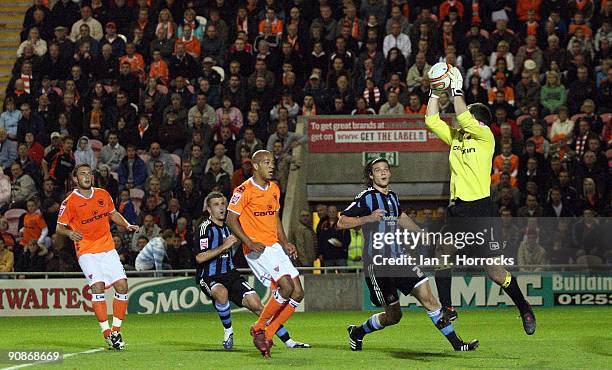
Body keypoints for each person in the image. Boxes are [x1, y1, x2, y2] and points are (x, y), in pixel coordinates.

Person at [424, 66, 536, 335]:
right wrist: (434, 91)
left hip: (480, 209)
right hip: (457, 207)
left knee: (495, 273)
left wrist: (458, 89)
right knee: (443, 252)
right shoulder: (455, 139)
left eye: (469, 118)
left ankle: (524, 309)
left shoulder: (486, 138)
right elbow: (430, 120)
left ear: (479, 121)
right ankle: (448, 308)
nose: (462, 122)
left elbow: (463, 117)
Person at [338, 158, 479, 352]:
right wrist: (369, 218)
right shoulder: (366, 198)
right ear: (371, 176)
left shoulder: (393, 197)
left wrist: (421, 234)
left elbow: (400, 216)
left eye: (385, 169)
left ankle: (457, 344)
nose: (383, 173)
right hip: (378, 263)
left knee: (428, 297)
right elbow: (342, 221)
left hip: (400, 259)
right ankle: (358, 332)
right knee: (394, 316)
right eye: (378, 170)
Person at [195, 192, 309, 350]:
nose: (221, 207)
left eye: (223, 203)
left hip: (231, 274)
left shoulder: (232, 226)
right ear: (208, 209)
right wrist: (224, 246)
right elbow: (200, 258)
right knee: (221, 294)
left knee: (257, 305)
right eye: (216, 204)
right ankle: (228, 333)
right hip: (208, 276)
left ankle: (288, 341)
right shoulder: (205, 228)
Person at [226, 150, 303, 358]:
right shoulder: (243, 190)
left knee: (298, 293)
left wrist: (285, 242)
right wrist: (249, 242)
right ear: (256, 166)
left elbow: (275, 218)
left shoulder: (275, 189)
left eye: (273, 163)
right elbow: (230, 219)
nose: (272, 166)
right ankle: (260, 328)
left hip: (274, 246)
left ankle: (266, 333)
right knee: (286, 286)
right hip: (257, 248)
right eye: (267, 162)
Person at [56, 163, 140, 350]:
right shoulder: (69, 201)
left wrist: (127, 225)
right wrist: (69, 234)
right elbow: (59, 227)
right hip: (86, 250)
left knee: (123, 285)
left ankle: (116, 331)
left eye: (89, 173)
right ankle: (106, 333)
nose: (87, 176)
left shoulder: (103, 194)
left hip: (107, 247)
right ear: (75, 179)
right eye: (82, 174)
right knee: (98, 286)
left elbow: (113, 213)